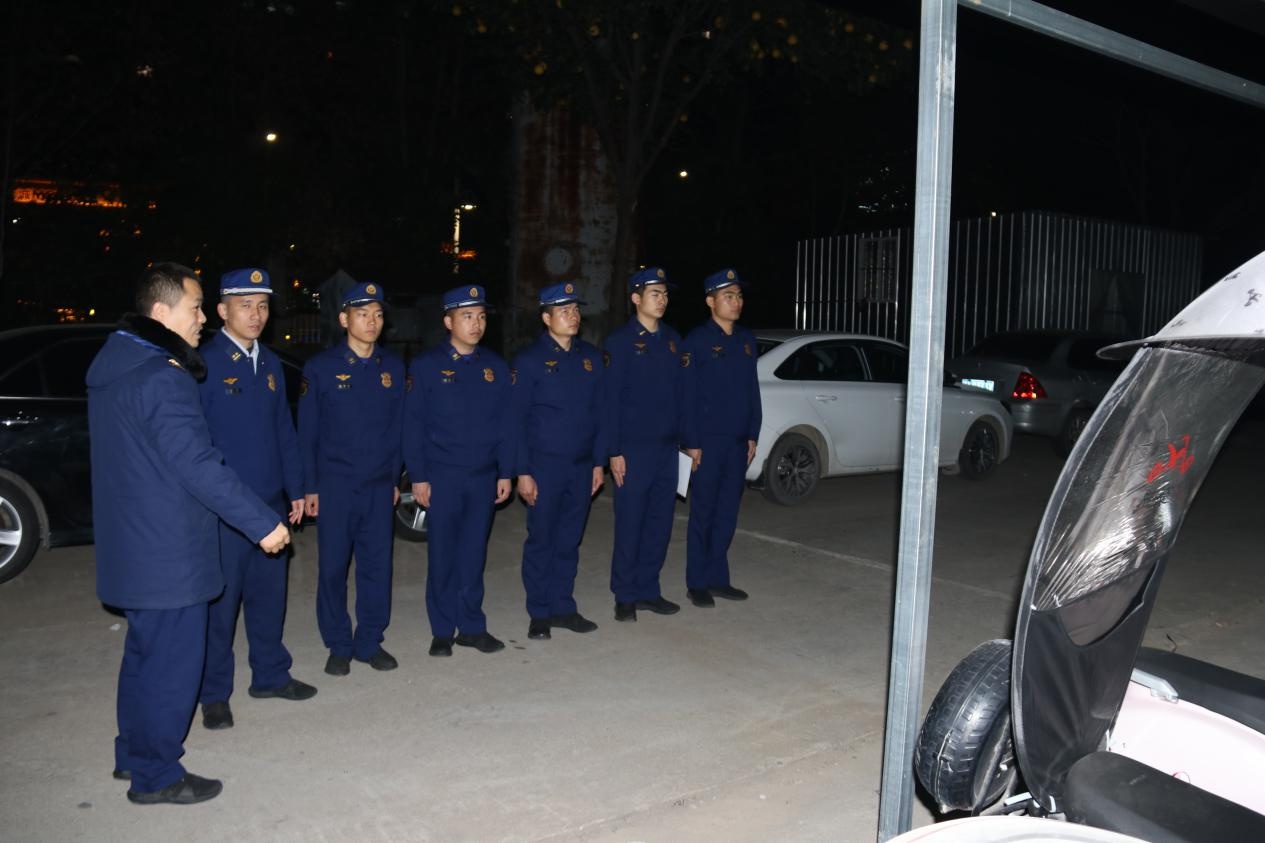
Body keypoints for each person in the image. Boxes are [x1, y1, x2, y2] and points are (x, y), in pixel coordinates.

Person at [88, 262, 290, 806]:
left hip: (133, 543)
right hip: (168, 550)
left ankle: (132, 753)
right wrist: (260, 522)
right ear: (161, 313)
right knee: (173, 666)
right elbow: (196, 464)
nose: (203, 318)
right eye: (196, 308)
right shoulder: (162, 376)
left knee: (144, 657)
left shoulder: (118, 363)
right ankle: (156, 775)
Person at [196, 268, 315, 732]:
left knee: (269, 597)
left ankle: (270, 675)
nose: (256, 315)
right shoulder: (204, 364)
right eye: (245, 305)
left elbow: (284, 430)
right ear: (222, 311)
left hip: (270, 504)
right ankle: (214, 694)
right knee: (221, 606)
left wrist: (295, 489)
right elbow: (197, 445)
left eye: (263, 306)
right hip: (226, 510)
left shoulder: (269, 363)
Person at [299, 281, 405, 676]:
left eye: (377, 315)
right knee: (333, 568)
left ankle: (369, 641)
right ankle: (339, 643)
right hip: (336, 486)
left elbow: (397, 431)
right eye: (363, 315)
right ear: (344, 320)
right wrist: (310, 486)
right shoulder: (321, 368)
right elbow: (307, 432)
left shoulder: (392, 368)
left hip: (378, 486)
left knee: (377, 567)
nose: (372, 322)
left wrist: (393, 479)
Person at [405, 284, 513, 657]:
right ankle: (441, 629)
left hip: (483, 475)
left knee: (473, 553)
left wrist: (505, 471)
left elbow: (506, 424)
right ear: (449, 321)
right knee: (442, 554)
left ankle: (471, 626)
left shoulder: (495, 367)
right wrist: (419, 476)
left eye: (481, 316)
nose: (476, 324)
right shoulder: (426, 366)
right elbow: (413, 425)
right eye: (467, 316)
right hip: (443, 476)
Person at [509, 282, 605, 640]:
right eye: (564, 311)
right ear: (547, 318)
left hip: (581, 466)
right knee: (542, 539)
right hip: (544, 467)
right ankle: (539, 612)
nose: (573, 316)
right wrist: (522, 471)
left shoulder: (590, 358)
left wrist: (598, 463)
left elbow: (600, 415)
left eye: (576, 310)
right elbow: (517, 421)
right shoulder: (529, 361)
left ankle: (563, 606)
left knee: (569, 539)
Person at [602, 266, 685, 622]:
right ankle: (625, 595)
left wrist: (686, 442)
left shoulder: (673, 340)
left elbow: (681, 395)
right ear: (636, 298)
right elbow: (610, 401)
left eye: (665, 294)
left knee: (659, 523)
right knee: (630, 523)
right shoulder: (619, 342)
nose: (662, 300)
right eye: (655, 294)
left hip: (667, 449)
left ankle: (649, 589)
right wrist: (614, 451)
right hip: (634, 450)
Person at [681, 268, 762, 607]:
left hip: (737, 442)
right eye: (729, 296)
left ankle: (718, 578)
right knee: (703, 512)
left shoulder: (746, 340)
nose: (736, 302)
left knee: (728, 512)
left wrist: (753, 433)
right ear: (710, 301)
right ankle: (697, 582)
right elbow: (687, 396)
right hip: (707, 443)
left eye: (739, 296)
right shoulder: (696, 341)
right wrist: (691, 442)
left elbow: (752, 391)